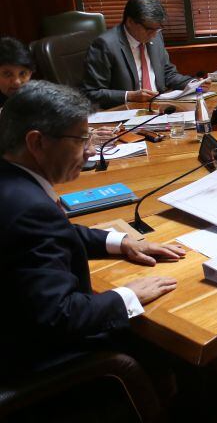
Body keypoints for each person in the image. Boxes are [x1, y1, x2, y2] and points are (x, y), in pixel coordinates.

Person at [0, 80, 185, 375]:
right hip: (37, 363)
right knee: (170, 336)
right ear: (37, 143)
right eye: (80, 140)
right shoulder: (30, 210)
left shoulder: (12, 184)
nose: (89, 152)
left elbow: (48, 234)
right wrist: (126, 296)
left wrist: (121, 242)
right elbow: (58, 317)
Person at [82, 0, 204, 109]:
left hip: (158, 106)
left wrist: (193, 84)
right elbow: (91, 93)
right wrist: (130, 96)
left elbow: (168, 73)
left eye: (158, 29)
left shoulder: (155, 36)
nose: (154, 34)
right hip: (127, 111)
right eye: (149, 29)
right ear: (130, 22)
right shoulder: (105, 45)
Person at [0, 36, 33, 108]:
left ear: (30, 73)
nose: (16, 82)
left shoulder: (39, 97)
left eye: (23, 74)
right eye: (7, 74)